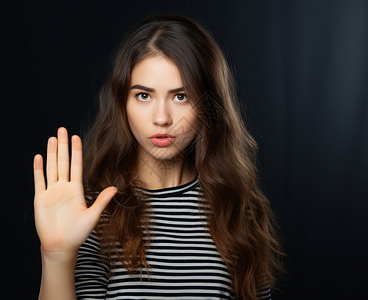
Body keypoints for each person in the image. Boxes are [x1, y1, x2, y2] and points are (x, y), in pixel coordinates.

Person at [33, 14, 284, 300]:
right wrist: (56, 255)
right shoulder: (91, 211)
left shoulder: (236, 207)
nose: (162, 118)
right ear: (122, 103)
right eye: (143, 96)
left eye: (181, 96)